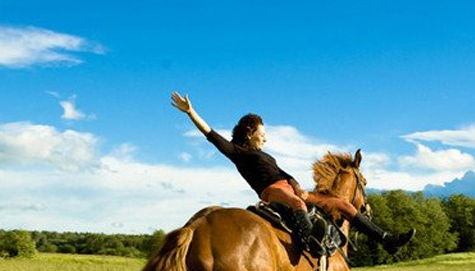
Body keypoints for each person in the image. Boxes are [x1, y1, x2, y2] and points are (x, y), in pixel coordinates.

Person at [170, 91, 414, 255]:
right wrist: (191, 112)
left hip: (288, 187)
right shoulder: (238, 152)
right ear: (249, 133)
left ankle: (386, 239)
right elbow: (211, 136)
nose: (265, 137)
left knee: (341, 203)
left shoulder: (265, 155)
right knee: (296, 202)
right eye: (261, 133)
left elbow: (281, 171)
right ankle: (312, 243)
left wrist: (295, 182)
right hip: (271, 191)